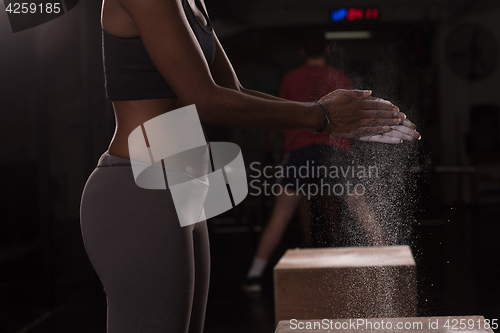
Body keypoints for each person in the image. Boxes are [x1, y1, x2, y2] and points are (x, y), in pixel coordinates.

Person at [79, 0, 420, 332]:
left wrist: (332, 116)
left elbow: (234, 91)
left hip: (184, 186)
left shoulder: (193, 4)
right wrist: (321, 116)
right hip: (140, 186)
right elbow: (205, 101)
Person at [241, 33, 387, 293]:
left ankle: (254, 276)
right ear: (328, 49)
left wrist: (270, 146)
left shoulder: (290, 78)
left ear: (301, 51)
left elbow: (278, 115)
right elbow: (353, 119)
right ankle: (388, 266)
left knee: (281, 216)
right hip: (335, 150)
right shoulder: (339, 78)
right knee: (362, 211)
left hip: (300, 150)